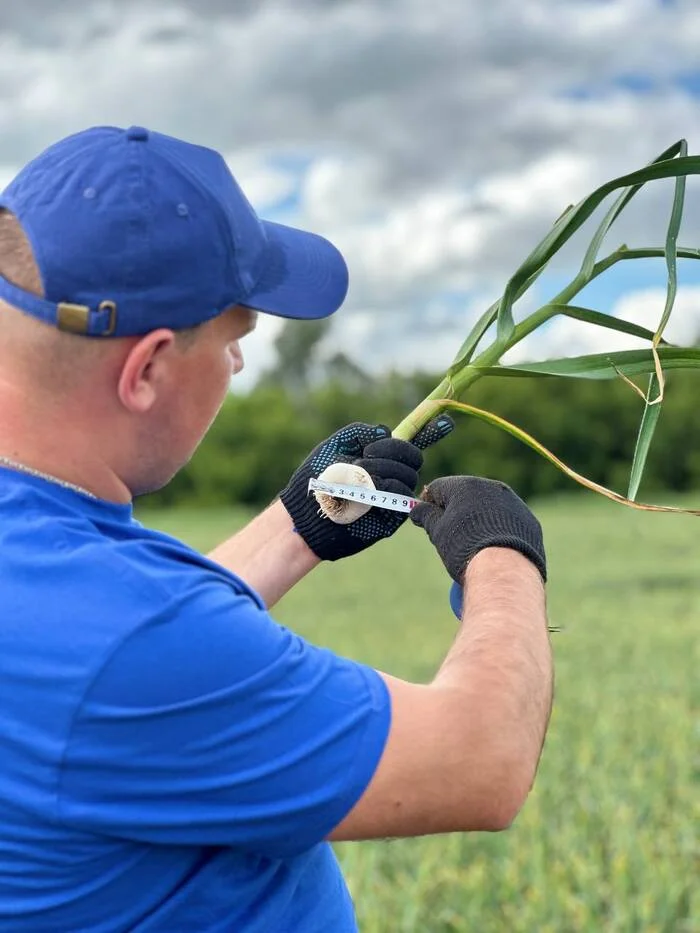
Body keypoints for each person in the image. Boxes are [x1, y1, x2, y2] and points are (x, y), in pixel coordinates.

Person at [0, 126, 553, 933]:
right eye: (234, 341)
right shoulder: (134, 643)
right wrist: (505, 553)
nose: (237, 368)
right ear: (147, 369)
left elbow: (117, 660)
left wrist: (299, 527)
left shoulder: (62, 578)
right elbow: (483, 759)